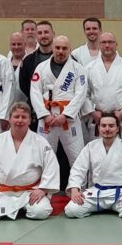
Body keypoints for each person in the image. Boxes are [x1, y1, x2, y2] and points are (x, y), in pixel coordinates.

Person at [0, 102, 60, 221]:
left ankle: (20, 208)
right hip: (3, 192)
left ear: (29, 120)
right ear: (10, 119)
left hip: (30, 192)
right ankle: (18, 210)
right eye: (16, 117)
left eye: (24, 117)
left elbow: (51, 166)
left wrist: (43, 189)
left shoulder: (40, 142)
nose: (20, 120)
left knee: (40, 212)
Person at [65, 113, 122, 219]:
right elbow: (78, 169)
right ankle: (104, 207)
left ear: (117, 128)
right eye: (103, 125)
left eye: (111, 126)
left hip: (121, 193)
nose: (107, 129)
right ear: (98, 128)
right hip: (96, 193)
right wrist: (75, 189)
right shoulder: (90, 147)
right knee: (71, 210)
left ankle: (115, 206)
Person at [30, 35, 88, 169]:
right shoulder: (41, 67)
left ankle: (78, 183)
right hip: (47, 119)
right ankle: (45, 183)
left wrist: (66, 115)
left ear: (70, 49)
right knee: (44, 157)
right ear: (52, 48)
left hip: (69, 119)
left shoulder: (78, 68)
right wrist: (44, 115)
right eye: (57, 47)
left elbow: (81, 94)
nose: (60, 51)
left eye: (64, 48)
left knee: (77, 158)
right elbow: (35, 92)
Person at [86, 31, 122, 145]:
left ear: (116, 44)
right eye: (103, 42)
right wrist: (93, 112)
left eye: (110, 42)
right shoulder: (89, 68)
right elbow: (84, 94)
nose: (107, 45)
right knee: (97, 152)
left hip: (121, 120)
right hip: (98, 120)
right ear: (99, 45)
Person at [18, 20, 54, 109]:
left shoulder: (65, 58)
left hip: (60, 105)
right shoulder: (28, 61)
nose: (43, 36)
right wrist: (37, 99)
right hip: (36, 107)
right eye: (40, 33)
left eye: (46, 32)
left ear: (53, 34)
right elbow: (24, 86)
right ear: (36, 36)